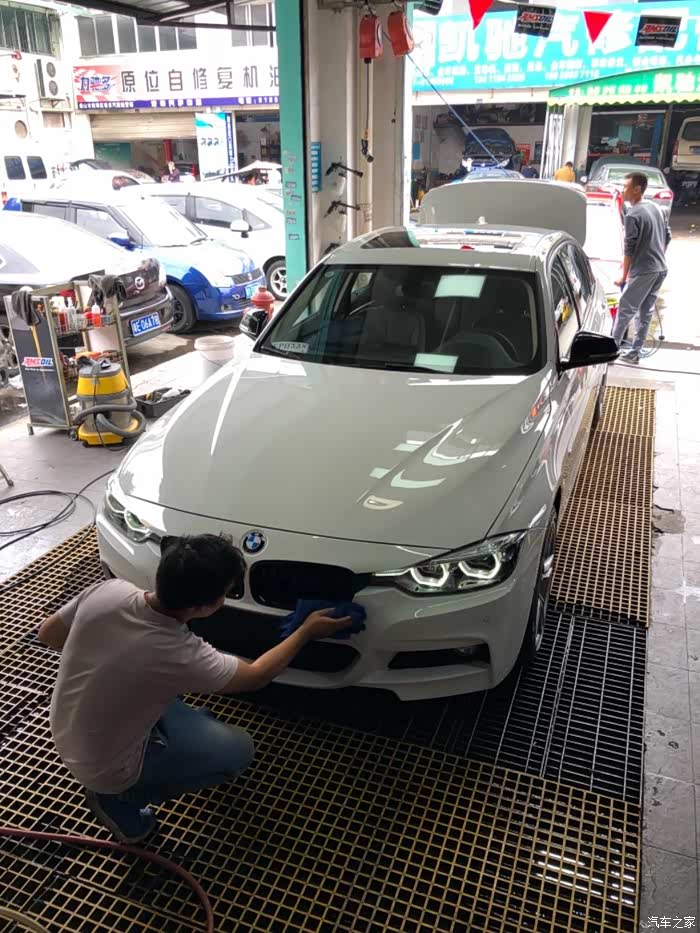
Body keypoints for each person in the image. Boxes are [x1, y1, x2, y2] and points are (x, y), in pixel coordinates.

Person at [38, 534, 353, 843]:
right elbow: (257, 675)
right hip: (106, 768)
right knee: (238, 750)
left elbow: (48, 634)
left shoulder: (109, 591)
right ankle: (120, 800)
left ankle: (154, 739)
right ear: (209, 605)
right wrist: (306, 632)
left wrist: (109, 656)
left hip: (66, 726)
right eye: (227, 593)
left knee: (153, 687)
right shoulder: (180, 654)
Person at [613, 172, 671, 363]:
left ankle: (610, 352)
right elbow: (667, 236)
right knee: (645, 311)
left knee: (625, 309)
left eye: (626, 187)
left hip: (644, 270)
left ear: (637, 189)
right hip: (660, 268)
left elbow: (629, 247)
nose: (623, 190)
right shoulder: (656, 208)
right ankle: (634, 352)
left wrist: (624, 275)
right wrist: (657, 256)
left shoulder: (633, 214)